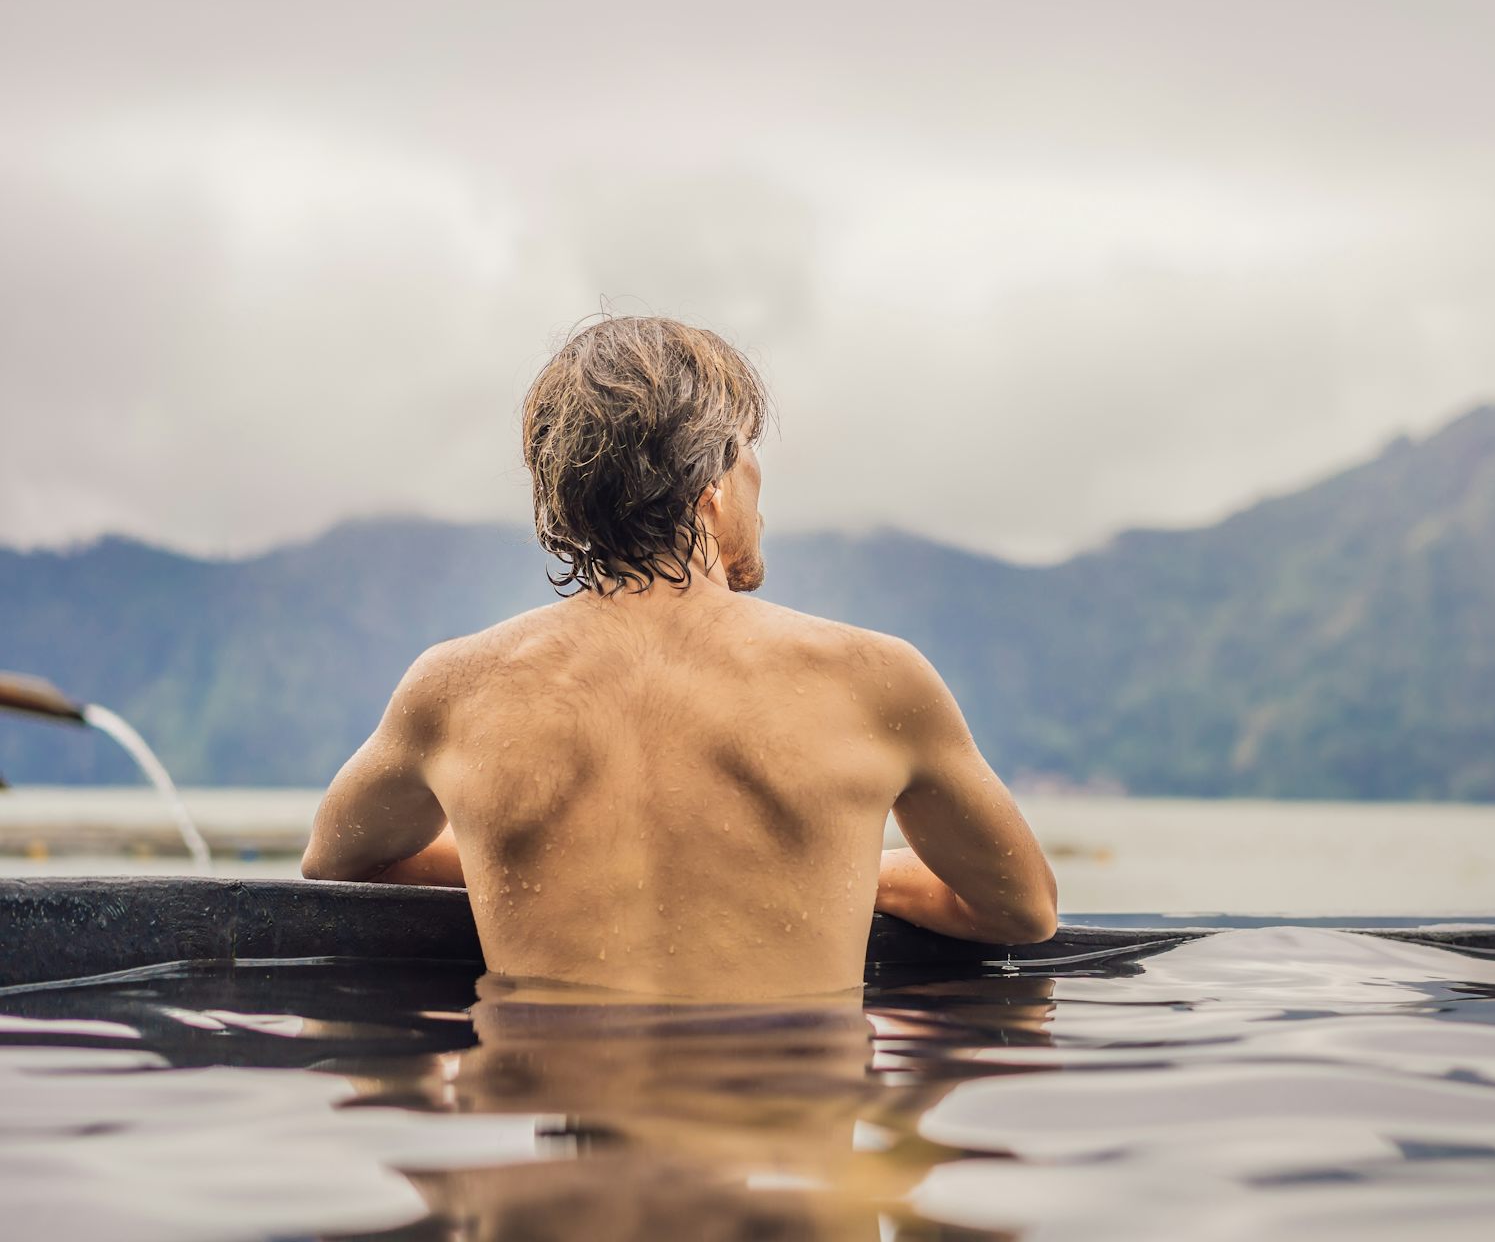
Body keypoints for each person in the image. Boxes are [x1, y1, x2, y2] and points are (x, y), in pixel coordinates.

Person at [301, 316, 1057, 998]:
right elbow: (1021, 911)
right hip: (782, 1129)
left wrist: (535, 867)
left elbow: (336, 869)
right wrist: (848, 874)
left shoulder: (455, 690)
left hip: (541, 1134)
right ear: (715, 485)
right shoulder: (873, 682)